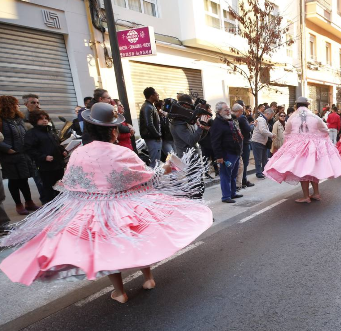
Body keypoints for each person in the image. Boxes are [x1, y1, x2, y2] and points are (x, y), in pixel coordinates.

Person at [0, 102, 213, 304]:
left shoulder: (79, 153)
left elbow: (71, 184)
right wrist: (167, 169)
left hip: (94, 211)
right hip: (126, 206)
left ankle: (119, 292)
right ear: (113, 130)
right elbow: (148, 178)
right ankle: (148, 278)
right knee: (141, 241)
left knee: (108, 250)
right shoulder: (121, 152)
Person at [264, 97, 341, 203]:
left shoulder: (292, 117)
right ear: (307, 106)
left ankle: (306, 196)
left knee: (302, 170)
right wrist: (319, 138)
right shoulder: (314, 117)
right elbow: (325, 130)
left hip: (298, 147)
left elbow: (287, 132)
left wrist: (289, 144)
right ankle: (316, 193)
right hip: (314, 147)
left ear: (296, 106)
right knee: (312, 169)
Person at [0, 95, 39, 215]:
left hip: (22, 153)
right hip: (9, 156)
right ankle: (18, 204)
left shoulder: (18, 119)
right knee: (14, 180)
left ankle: (29, 202)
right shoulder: (1, 120)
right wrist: (8, 149)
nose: (18, 106)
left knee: (24, 179)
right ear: (8, 106)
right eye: (16, 104)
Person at [23, 109, 67, 204]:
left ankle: (62, 204)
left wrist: (63, 150)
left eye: (46, 118)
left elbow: (57, 144)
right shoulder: (31, 133)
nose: (45, 120)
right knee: (49, 188)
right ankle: (51, 206)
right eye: (41, 119)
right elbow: (29, 149)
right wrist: (43, 157)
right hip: (45, 167)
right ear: (35, 120)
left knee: (60, 186)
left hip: (58, 165)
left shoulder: (50, 131)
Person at [211, 102, 244, 203]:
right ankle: (226, 196)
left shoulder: (229, 120)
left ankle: (232, 193)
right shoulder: (217, 123)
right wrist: (219, 156)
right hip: (226, 154)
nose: (228, 111)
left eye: (228, 109)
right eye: (225, 110)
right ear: (219, 111)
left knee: (234, 174)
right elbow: (215, 142)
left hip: (235, 152)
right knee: (225, 175)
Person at [232, 101, 254, 189]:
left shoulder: (236, 119)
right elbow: (248, 129)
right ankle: (242, 181)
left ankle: (240, 183)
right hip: (243, 143)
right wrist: (252, 125)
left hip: (241, 143)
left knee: (241, 164)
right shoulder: (241, 118)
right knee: (243, 163)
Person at [139, 87, 162, 168]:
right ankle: (154, 179)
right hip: (152, 138)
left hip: (154, 137)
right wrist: (157, 135)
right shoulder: (147, 107)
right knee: (155, 163)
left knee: (156, 161)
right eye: (156, 94)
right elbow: (149, 124)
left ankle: (156, 179)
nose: (158, 95)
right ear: (151, 96)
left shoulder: (150, 106)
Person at [251, 107, 275, 179]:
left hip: (262, 142)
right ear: (267, 114)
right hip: (257, 141)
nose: (271, 117)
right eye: (271, 115)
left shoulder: (263, 119)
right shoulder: (261, 120)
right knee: (258, 158)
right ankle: (259, 173)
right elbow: (262, 130)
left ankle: (264, 171)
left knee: (264, 158)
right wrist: (271, 135)